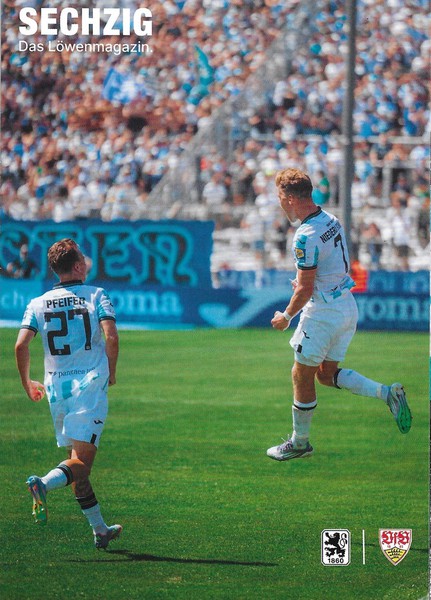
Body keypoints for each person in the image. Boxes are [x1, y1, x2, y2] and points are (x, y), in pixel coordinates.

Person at [266, 168, 412, 462]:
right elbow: (328, 268)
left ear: (290, 198)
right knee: (325, 375)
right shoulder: (330, 219)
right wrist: (311, 285)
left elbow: (305, 289)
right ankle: (387, 394)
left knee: (301, 374)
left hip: (323, 314)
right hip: (346, 306)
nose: (280, 204)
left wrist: (286, 316)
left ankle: (300, 443)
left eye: (280, 197)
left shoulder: (304, 236)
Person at [15, 238, 122, 549]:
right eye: (83, 260)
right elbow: (111, 336)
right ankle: (42, 483)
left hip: (56, 389)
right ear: (77, 266)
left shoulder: (37, 303)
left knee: (74, 466)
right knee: (81, 465)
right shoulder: (96, 295)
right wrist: (112, 370)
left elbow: (21, 345)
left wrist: (27, 382)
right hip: (89, 386)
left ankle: (100, 530)